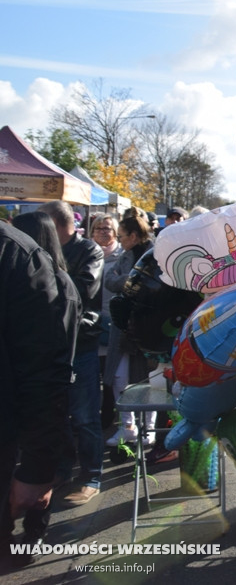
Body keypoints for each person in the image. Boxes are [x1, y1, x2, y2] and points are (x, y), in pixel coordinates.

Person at [7, 213, 82, 565]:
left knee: (40, 486)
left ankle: (32, 539)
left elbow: (46, 361)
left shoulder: (42, 275)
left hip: (46, 395)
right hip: (50, 395)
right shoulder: (52, 276)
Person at [37, 201, 105, 506]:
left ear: (55, 224)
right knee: (59, 414)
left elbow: (80, 292)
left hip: (82, 344)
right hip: (53, 345)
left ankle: (92, 475)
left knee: (85, 415)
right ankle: (63, 469)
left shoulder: (89, 251)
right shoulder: (43, 252)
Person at [103, 214, 156, 447]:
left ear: (133, 236)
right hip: (123, 328)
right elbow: (109, 279)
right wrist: (131, 280)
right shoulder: (125, 255)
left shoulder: (155, 254)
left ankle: (149, 429)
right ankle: (127, 426)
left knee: (147, 380)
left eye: (122, 236)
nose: (120, 240)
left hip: (147, 328)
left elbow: (151, 286)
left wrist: (125, 282)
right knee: (118, 377)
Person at [90, 213, 122, 429]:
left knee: (112, 374)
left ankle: (109, 414)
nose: (103, 231)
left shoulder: (122, 256)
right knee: (93, 373)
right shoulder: (86, 253)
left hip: (113, 321)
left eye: (107, 228)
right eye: (99, 228)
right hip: (91, 321)